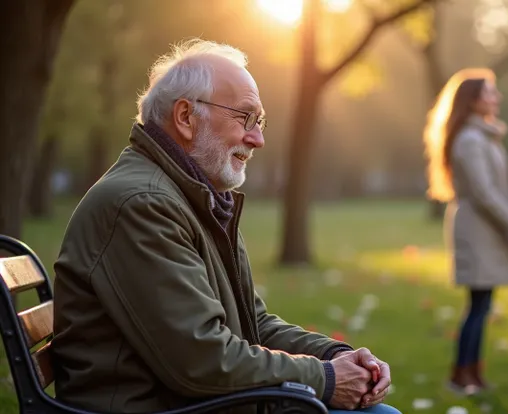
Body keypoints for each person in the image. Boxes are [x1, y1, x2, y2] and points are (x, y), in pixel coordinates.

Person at [51, 38, 399, 414]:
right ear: (185, 117)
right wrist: (327, 379)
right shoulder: (143, 204)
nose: (258, 138)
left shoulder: (191, 197)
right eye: (246, 117)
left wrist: (336, 356)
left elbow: (254, 324)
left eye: (260, 122)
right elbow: (202, 360)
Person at [423, 68, 508, 396]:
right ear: (472, 101)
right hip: (478, 230)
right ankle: (462, 375)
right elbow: (485, 193)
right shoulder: (471, 140)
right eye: (489, 92)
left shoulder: (481, 135)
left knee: (481, 304)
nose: (496, 97)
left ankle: (471, 371)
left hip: (485, 229)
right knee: (478, 305)